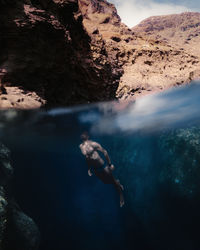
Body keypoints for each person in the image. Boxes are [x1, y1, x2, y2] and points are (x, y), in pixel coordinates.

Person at [79, 132, 124, 207]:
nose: (83, 135)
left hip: (102, 166)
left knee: (113, 182)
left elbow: (105, 152)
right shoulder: (81, 146)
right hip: (95, 169)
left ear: (87, 137)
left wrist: (110, 164)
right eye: (82, 134)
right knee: (106, 182)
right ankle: (118, 182)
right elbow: (87, 158)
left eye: (84, 134)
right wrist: (89, 169)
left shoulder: (93, 144)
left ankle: (121, 197)